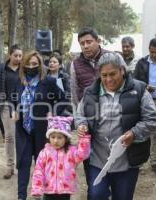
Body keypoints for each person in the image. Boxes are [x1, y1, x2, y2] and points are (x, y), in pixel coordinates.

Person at [75, 52, 156, 200]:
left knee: (123, 196)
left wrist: (134, 133)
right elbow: (80, 114)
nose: (108, 79)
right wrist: (82, 124)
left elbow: (151, 119)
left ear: (122, 70)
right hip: (97, 159)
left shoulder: (138, 90)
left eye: (112, 74)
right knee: (96, 195)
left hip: (127, 160)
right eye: (104, 75)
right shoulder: (90, 92)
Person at [14, 50, 67, 200]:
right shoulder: (20, 81)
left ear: (40, 65)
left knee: (42, 163)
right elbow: (14, 100)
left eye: (35, 64)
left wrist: (52, 112)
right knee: (23, 164)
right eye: (29, 64)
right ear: (23, 65)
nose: (32, 66)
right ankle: (21, 196)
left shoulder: (48, 81)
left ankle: (45, 194)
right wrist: (14, 110)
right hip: (23, 130)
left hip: (42, 131)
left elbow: (63, 100)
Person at [69, 27, 109, 196]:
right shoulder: (75, 64)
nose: (85, 46)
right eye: (82, 43)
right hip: (87, 120)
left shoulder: (111, 58)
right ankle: (94, 192)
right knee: (89, 158)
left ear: (97, 41)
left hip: (111, 118)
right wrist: (80, 119)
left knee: (111, 157)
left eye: (88, 42)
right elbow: (74, 94)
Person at [31, 116, 91, 200]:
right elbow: (38, 171)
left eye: (59, 137)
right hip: (48, 191)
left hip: (65, 192)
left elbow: (83, 155)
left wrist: (84, 138)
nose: (56, 141)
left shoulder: (71, 151)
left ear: (66, 138)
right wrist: (37, 189)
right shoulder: (44, 153)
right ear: (49, 137)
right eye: (53, 137)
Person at [0, 44, 23, 179]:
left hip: (22, 106)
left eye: (20, 56)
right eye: (15, 55)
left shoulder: (24, 69)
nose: (18, 58)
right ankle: (9, 166)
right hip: (6, 105)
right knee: (9, 136)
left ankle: (21, 165)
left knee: (21, 136)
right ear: (10, 55)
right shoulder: (1, 68)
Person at [134, 37, 156, 173]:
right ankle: (140, 161)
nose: (154, 55)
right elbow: (135, 80)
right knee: (143, 130)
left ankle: (155, 161)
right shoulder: (142, 63)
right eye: (152, 52)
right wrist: (145, 86)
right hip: (145, 100)